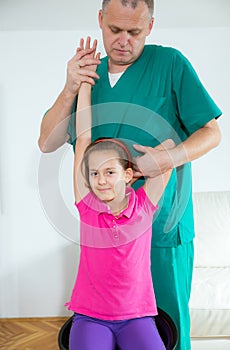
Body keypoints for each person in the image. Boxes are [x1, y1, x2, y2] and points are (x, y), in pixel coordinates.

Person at [38, 1, 222, 349]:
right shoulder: (87, 76)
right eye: (114, 30)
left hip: (163, 226)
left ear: (150, 25)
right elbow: (47, 142)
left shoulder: (170, 64)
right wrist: (70, 88)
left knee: (170, 332)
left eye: (134, 32)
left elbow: (212, 133)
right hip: (107, 234)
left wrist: (167, 158)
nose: (123, 40)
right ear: (100, 20)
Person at [68, 43, 174, 349]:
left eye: (110, 172)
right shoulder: (87, 206)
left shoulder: (143, 205)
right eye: (95, 173)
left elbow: (169, 148)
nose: (101, 180)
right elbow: (84, 137)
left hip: (137, 316)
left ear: (127, 176)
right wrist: (85, 83)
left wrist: (140, 167)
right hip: (91, 317)